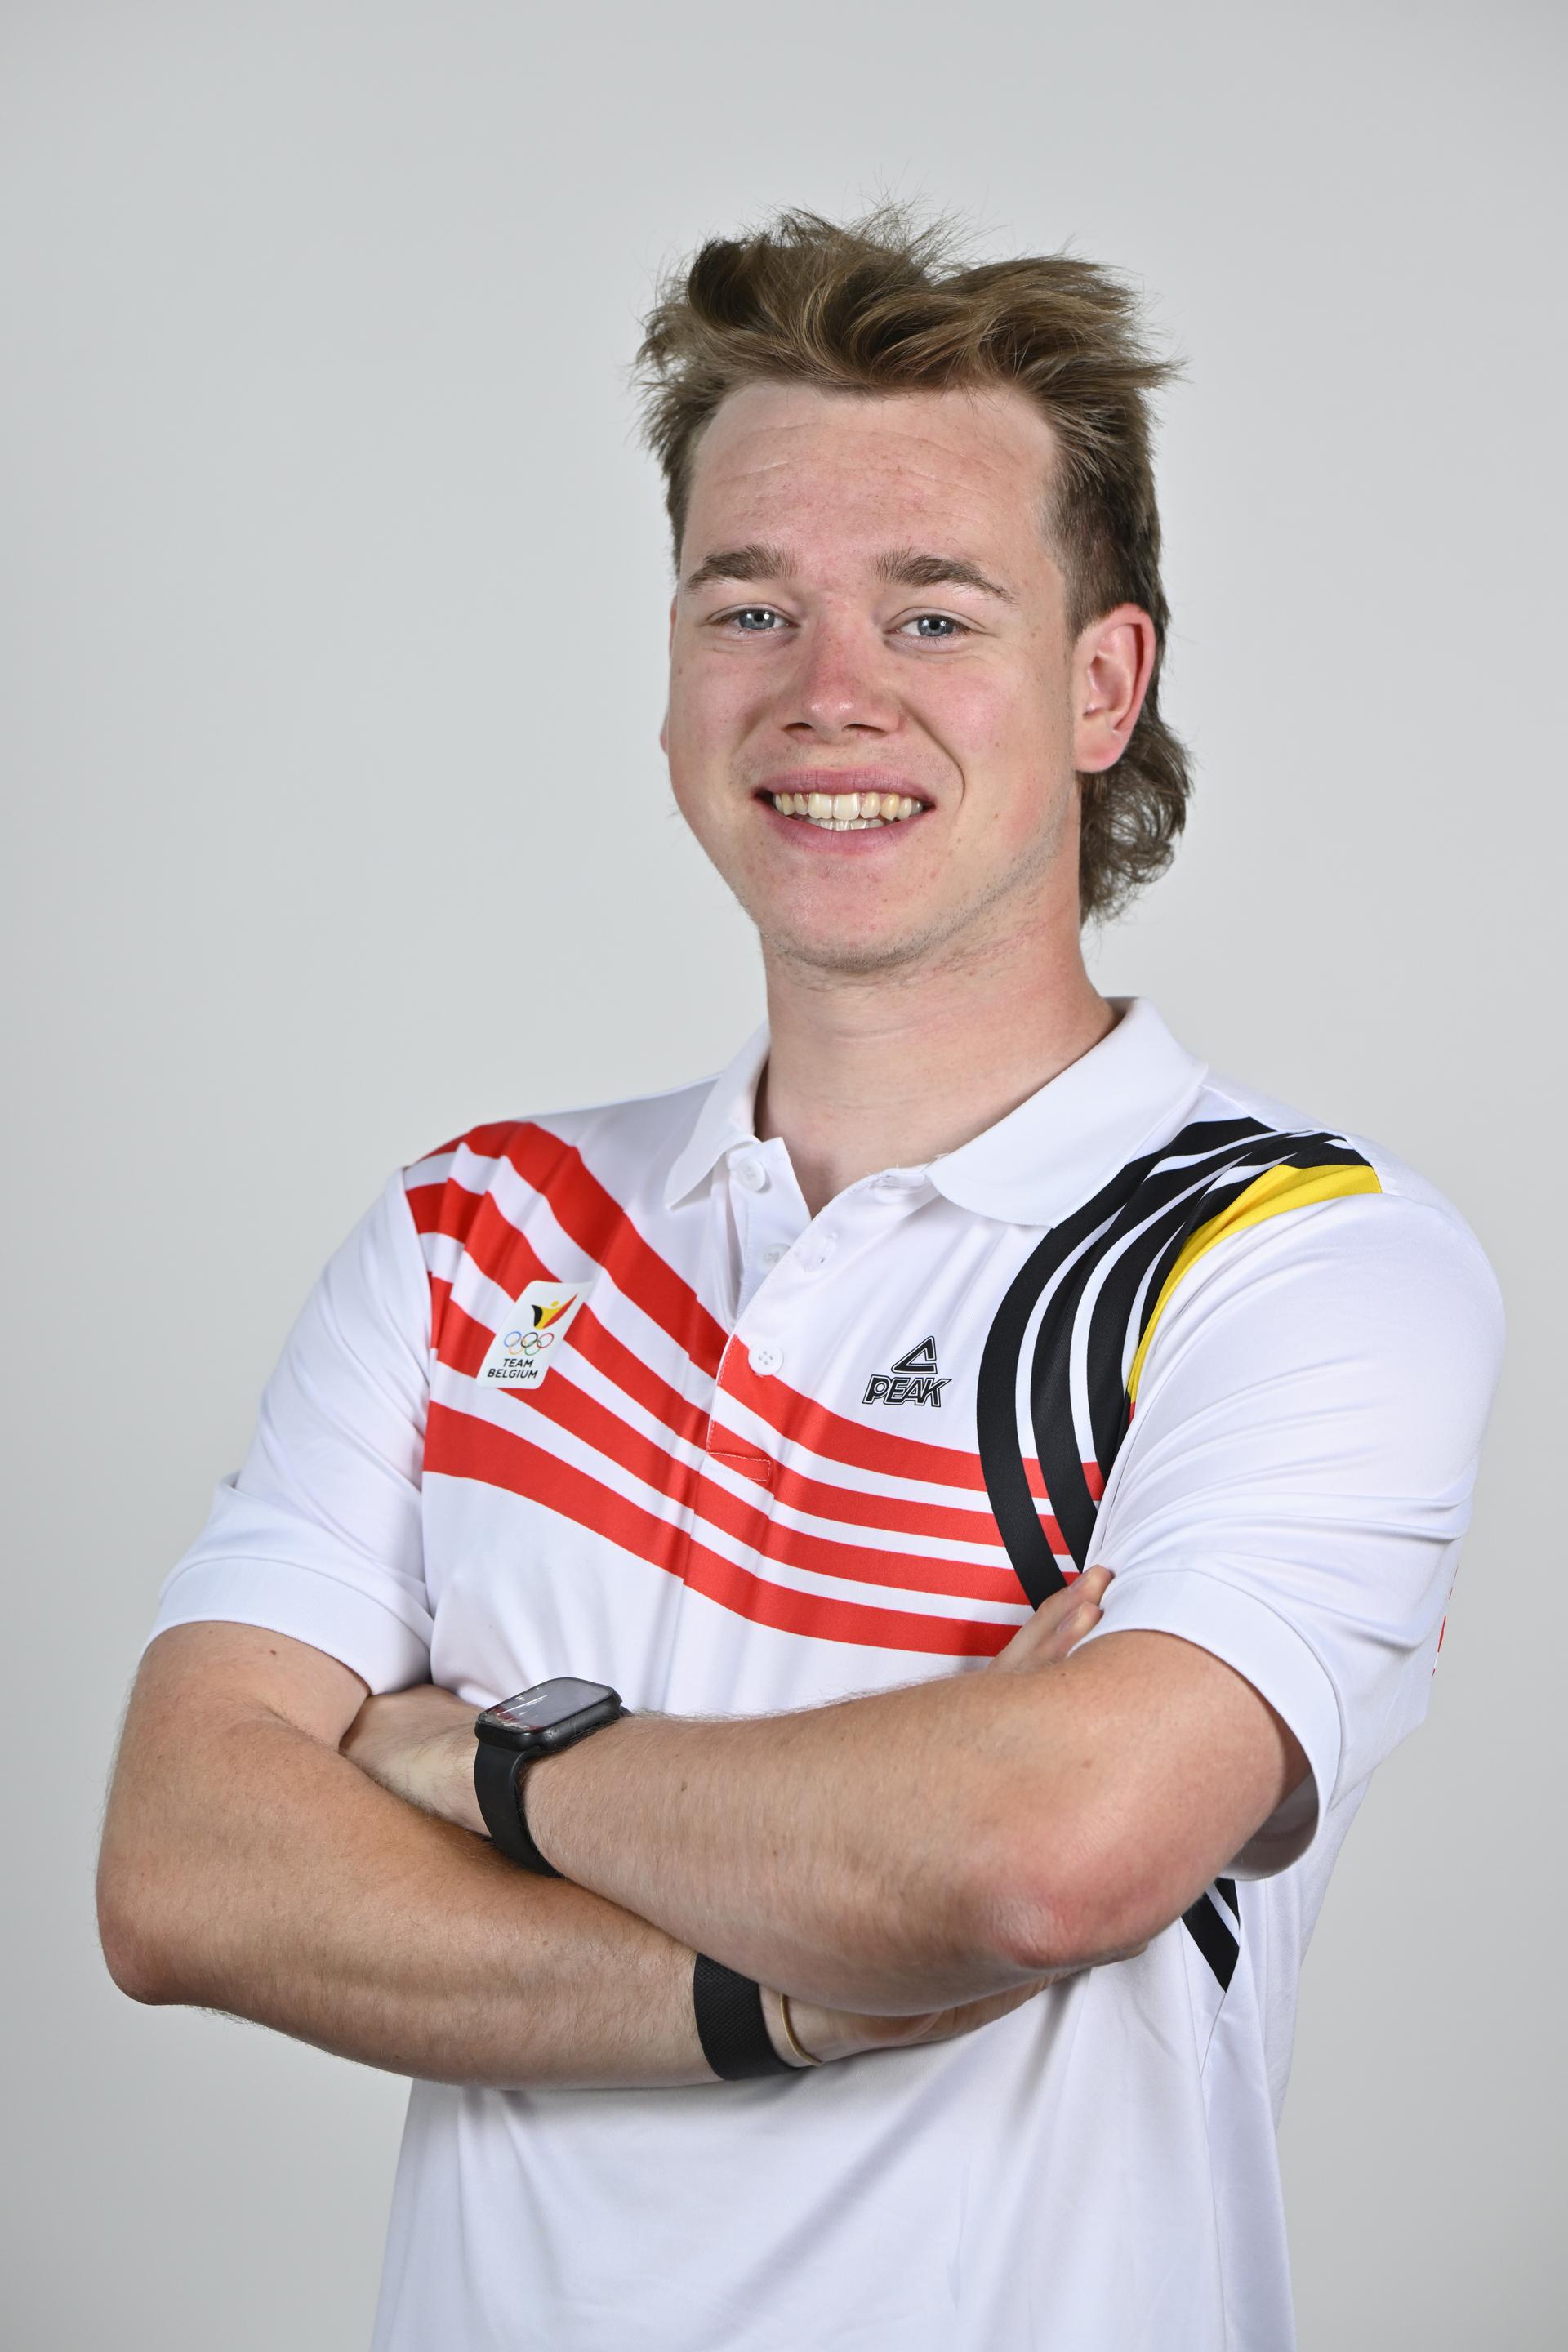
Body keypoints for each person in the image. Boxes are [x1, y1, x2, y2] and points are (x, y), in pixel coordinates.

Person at [96, 205, 1504, 2352]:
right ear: (672, 673)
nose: (828, 693)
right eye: (750, 605)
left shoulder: (1297, 1259)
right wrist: (776, 1989)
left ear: (1102, 680)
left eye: (934, 615)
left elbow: (1043, 1853)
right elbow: (187, 1868)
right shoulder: (475, 1226)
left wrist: (492, 1767)